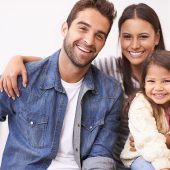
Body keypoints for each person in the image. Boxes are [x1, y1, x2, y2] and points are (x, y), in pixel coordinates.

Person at [0, 2, 166, 170]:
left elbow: (100, 154)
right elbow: (57, 67)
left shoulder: (109, 90)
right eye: (82, 28)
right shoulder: (24, 78)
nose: (88, 40)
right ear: (65, 28)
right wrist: (19, 59)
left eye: (99, 35)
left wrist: (158, 139)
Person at [120, 50, 170, 170]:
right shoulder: (141, 105)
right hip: (141, 155)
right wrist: (163, 167)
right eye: (151, 81)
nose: (158, 88)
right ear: (144, 83)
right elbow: (149, 140)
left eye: (167, 81)